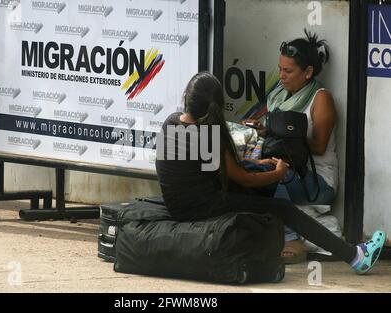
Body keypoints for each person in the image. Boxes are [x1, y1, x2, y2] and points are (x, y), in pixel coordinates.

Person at [156, 71, 386, 275]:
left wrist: (258, 163)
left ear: (187, 97)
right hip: (200, 207)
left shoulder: (172, 122)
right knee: (282, 207)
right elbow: (242, 177)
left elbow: (211, 166)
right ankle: (355, 256)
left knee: (256, 172)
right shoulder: (207, 134)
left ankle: (293, 238)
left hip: (181, 205)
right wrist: (277, 173)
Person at [243, 30, 339, 263]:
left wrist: (282, 134)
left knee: (274, 175)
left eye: (288, 71)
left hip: (318, 181)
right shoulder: (278, 96)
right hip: (288, 169)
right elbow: (275, 138)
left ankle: (292, 239)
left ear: (307, 72)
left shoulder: (321, 98)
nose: (282, 76)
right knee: (249, 169)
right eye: (280, 69)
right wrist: (264, 130)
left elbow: (318, 146)